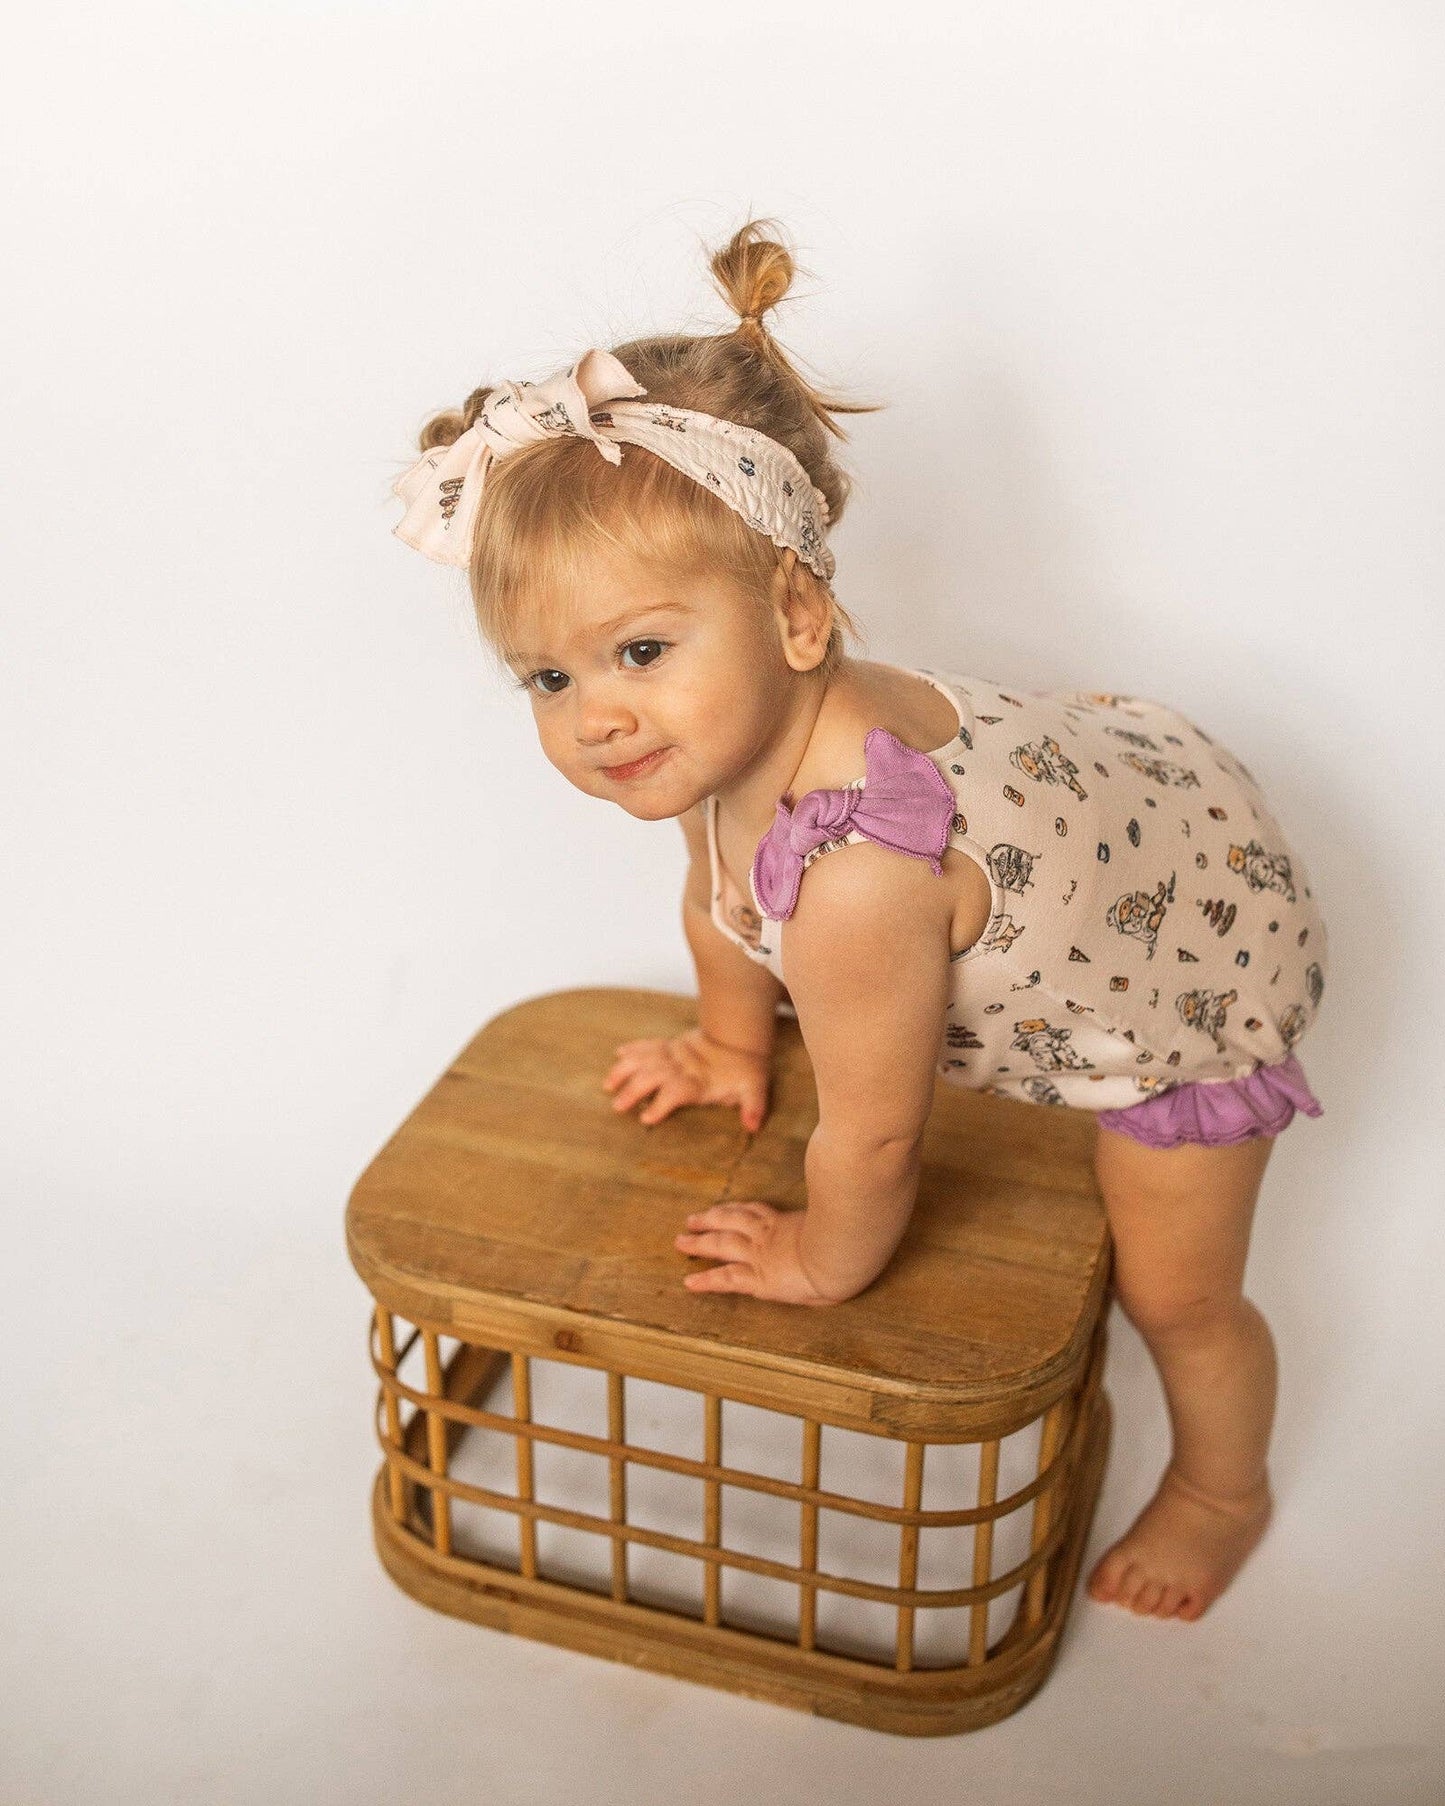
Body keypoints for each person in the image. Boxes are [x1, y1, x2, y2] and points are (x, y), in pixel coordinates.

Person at [389, 218, 1329, 1625]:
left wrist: (823, 1257)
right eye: (544, 677)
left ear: (798, 612)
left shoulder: (856, 884)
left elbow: (879, 1130)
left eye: (638, 650)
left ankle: (1221, 1485)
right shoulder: (746, 733)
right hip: (1121, 806)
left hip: (1186, 959)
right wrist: (729, 1040)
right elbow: (722, 894)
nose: (595, 717)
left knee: (1177, 1290)